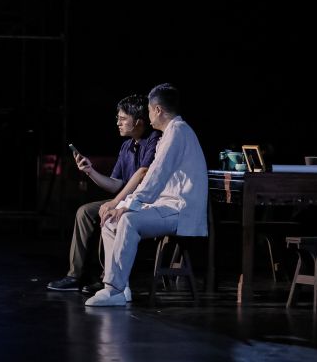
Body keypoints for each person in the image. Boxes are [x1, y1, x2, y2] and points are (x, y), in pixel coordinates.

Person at [86, 83, 207, 307]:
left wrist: (130, 204)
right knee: (110, 221)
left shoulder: (177, 132)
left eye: (150, 110)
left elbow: (155, 175)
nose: (148, 116)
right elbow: (156, 177)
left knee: (128, 220)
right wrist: (121, 205)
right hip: (165, 205)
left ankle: (114, 289)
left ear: (158, 110)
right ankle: (120, 287)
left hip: (180, 209)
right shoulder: (170, 133)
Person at [47, 94, 161, 297]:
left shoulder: (154, 140)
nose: (118, 123)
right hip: (125, 200)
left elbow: (143, 172)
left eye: (123, 118)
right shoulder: (126, 146)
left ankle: (108, 278)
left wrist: (116, 203)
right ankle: (76, 276)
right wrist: (90, 171)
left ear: (138, 122)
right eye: (118, 118)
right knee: (85, 212)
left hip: (145, 202)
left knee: (109, 213)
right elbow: (115, 184)